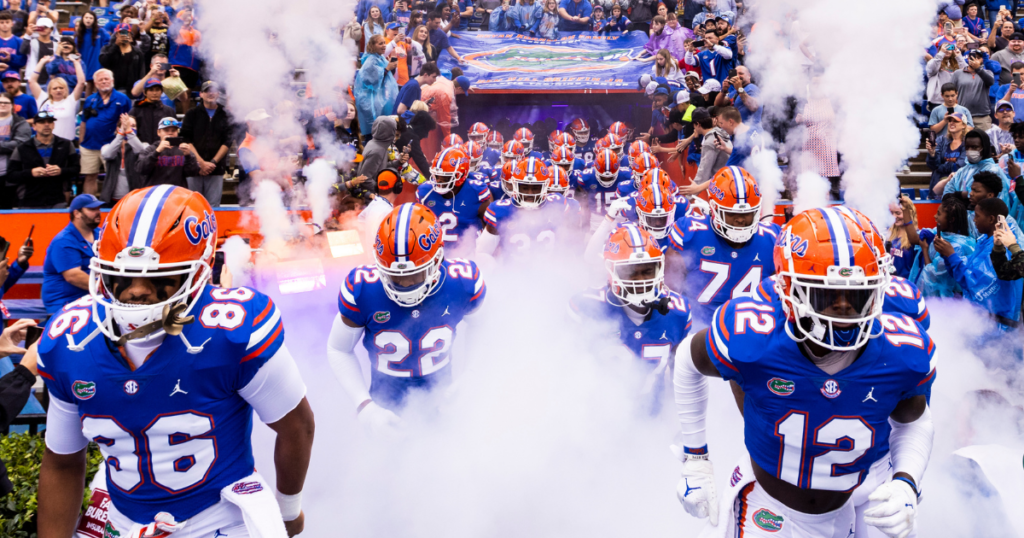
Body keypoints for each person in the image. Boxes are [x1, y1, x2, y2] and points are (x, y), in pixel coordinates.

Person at [36, 186, 315, 538]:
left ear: (198, 273)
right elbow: (62, 462)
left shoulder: (230, 330)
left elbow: (296, 425)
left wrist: (288, 510)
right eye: (120, 275)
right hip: (121, 519)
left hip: (220, 519)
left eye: (157, 277)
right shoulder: (69, 341)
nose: (136, 290)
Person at [672, 206, 935, 538]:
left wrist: (906, 482)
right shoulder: (755, 336)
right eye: (826, 292)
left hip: (860, 495)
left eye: (860, 292)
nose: (844, 305)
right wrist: (695, 459)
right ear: (789, 290)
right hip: (770, 508)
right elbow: (688, 358)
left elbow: (914, 420)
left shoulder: (901, 350)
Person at [328, 202, 485, 426]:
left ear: (438, 260)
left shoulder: (462, 283)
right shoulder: (363, 288)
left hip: (443, 395)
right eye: (394, 275)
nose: (405, 283)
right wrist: (365, 406)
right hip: (384, 401)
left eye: (416, 274)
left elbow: (483, 326)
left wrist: (471, 375)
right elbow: (338, 349)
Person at [570, 223, 692, 415]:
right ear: (611, 270)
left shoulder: (678, 312)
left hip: (653, 418)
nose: (640, 280)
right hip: (597, 421)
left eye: (647, 270)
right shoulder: (586, 308)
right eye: (631, 271)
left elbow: (681, 375)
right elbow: (566, 371)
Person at [665, 166, 778, 324]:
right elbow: (670, 294)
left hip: (753, 332)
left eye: (747, 213)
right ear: (714, 209)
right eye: (732, 213)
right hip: (699, 328)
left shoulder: (772, 239)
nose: (741, 220)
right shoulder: (689, 233)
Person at [937, 196, 1023, 330]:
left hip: (993, 323)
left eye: (977, 216)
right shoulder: (984, 241)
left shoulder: (999, 247)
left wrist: (951, 255)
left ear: (991, 219)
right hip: (979, 318)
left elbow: (974, 284)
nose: (974, 219)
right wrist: (948, 256)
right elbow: (967, 269)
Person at [477, 157, 577, 257]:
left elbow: (569, 245)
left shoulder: (557, 204)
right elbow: (483, 253)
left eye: (535, 188)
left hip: (549, 269)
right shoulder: (499, 210)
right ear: (515, 185)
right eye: (524, 187)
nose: (530, 194)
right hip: (511, 271)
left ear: (545, 186)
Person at [417, 145, 492, 254]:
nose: (439, 181)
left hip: (469, 254)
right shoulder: (425, 192)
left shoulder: (476, 192)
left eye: (446, 177)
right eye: (437, 176)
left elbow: (490, 228)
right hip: (436, 254)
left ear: (461, 175)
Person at [41, 193, 102, 313]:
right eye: (92, 209)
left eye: (98, 208)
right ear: (77, 213)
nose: (98, 212)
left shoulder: (100, 233)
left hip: (90, 297)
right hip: (65, 302)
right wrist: (107, 290)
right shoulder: (64, 240)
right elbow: (73, 276)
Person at [6, 110, 79, 209]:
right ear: (34, 126)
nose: (47, 125)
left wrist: (61, 171)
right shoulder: (22, 148)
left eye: (50, 122)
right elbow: (11, 175)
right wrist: (31, 173)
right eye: (42, 122)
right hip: (29, 201)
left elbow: (76, 169)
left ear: (53, 125)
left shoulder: (66, 145)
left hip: (57, 200)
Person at [911, 193, 977, 297]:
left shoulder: (956, 246)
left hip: (948, 302)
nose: (935, 216)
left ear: (951, 220)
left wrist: (925, 249)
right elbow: (913, 237)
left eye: (939, 214)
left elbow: (933, 276)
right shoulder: (943, 235)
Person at [79, 68, 132, 195]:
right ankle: (89, 204)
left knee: (114, 176)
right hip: (89, 145)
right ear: (96, 84)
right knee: (90, 177)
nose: (104, 82)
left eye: (106, 79)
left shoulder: (123, 99)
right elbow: (84, 122)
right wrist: (81, 142)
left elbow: (128, 121)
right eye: (100, 80)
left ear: (112, 81)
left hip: (112, 145)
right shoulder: (89, 100)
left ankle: (111, 204)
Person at [180, 81, 230, 206]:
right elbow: (186, 139)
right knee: (192, 206)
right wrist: (200, 163)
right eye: (207, 90)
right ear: (201, 94)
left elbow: (227, 141)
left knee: (213, 208)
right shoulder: (191, 114)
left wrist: (212, 163)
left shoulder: (226, 115)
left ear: (218, 94)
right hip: (193, 168)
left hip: (216, 169)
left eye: (213, 90)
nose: (210, 93)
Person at [940, 127, 1013, 203]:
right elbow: (946, 197)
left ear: (984, 148)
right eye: (967, 147)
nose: (970, 150)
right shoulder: (961, 172)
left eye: (975, 147)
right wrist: (963, 196)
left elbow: (995, 204)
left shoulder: (994, 172)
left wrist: (957, 196)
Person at [29, 56, 84, 142]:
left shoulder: (71, 100)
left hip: (66, 144)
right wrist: (42, 62)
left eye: (61, 88)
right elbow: (32, 81)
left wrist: (76, 63)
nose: (58, 90)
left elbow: (81, 83)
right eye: (55, 88)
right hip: (45, 143)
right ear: (49, 91)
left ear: (66, 89)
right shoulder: (42, 98)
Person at [354, 34, 399, 138]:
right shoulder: (371, 60)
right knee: (373, 130)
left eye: (384, 43)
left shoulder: (380, 58)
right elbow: (371, 81)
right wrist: (387, 69)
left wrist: (391, 68)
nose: (384, 45)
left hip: (377, 99)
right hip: (370, 101)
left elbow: (386, 79)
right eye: (380, 43)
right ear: (373, 45)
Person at [135, 116, 200, 188]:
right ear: (158, 132)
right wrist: (157, 152)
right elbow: (141, 169)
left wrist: (188, 156)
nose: (170, 133)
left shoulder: (183, 149)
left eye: (173, 130)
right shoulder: (150, 149)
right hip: (154, 192)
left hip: (177, 193)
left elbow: (193, 173)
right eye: (166, 130)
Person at [99, 113, 147, 205]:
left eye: (133, 126)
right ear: (118, 128)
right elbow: (108, 155)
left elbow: (141, 152)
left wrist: (128, 131)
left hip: (135, 199)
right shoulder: (107, 147)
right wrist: (121, 134)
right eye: (126, 125)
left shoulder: (144, 145)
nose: (130, 128)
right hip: (111, 199)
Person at [0, 92, 31, 209]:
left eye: (6, 102)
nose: (2, 105)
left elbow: (21, 144)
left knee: (6, 209)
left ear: (12, 105)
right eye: (0, 102)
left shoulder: (20, 122)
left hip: (8, 174)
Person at [926, 110, 968, 197]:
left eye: (955, 121)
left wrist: (940, 167)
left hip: (958, 187)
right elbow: (932, 166)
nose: (951, 123)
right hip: (938, 185)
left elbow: (960, 166)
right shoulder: (940, 140)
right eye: (950, 121)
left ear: (963, 125)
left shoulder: (968, 143)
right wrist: (932, 154)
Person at [953, 50, 995, 130]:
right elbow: (952, 92)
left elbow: (990, 82)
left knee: (985, 141)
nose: (975, 60)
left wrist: (978, 68)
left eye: (978, 58)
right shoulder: (957, 73)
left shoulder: (988, 72)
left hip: (982, 117)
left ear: (982, 60)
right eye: (972, 57)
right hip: (962, 116)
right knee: (963, 142)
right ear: (968, 58)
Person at [98, 23, 145, 92]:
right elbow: (104, 62)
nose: (123, 35)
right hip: (112, 89)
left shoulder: (137, 52)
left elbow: (141, 72)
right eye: (121, 33)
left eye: (126, 33)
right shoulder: (107, 48)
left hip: (131, 90)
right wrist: (115, 46)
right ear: (116, 35)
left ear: (130, 35)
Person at [128, 78, 175, 144]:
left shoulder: (169, 111)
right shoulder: (136, 110)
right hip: (141, 149)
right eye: (151, 90)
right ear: (144, 92)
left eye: (157, 90)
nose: (154, 93)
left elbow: (174, 132)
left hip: (164, 149)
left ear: (161, 92)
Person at [74, 11, 109, 91]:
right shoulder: (79, 34)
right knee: (89, 84)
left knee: (98, 84)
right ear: (82, 19)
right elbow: (76, 50)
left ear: (94, 20)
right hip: (85, 62)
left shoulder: (101, 31)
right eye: (86, 17)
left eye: (91, 18)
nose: (88, 20)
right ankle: (88, 103)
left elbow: (108, 43)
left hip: (97, 63)